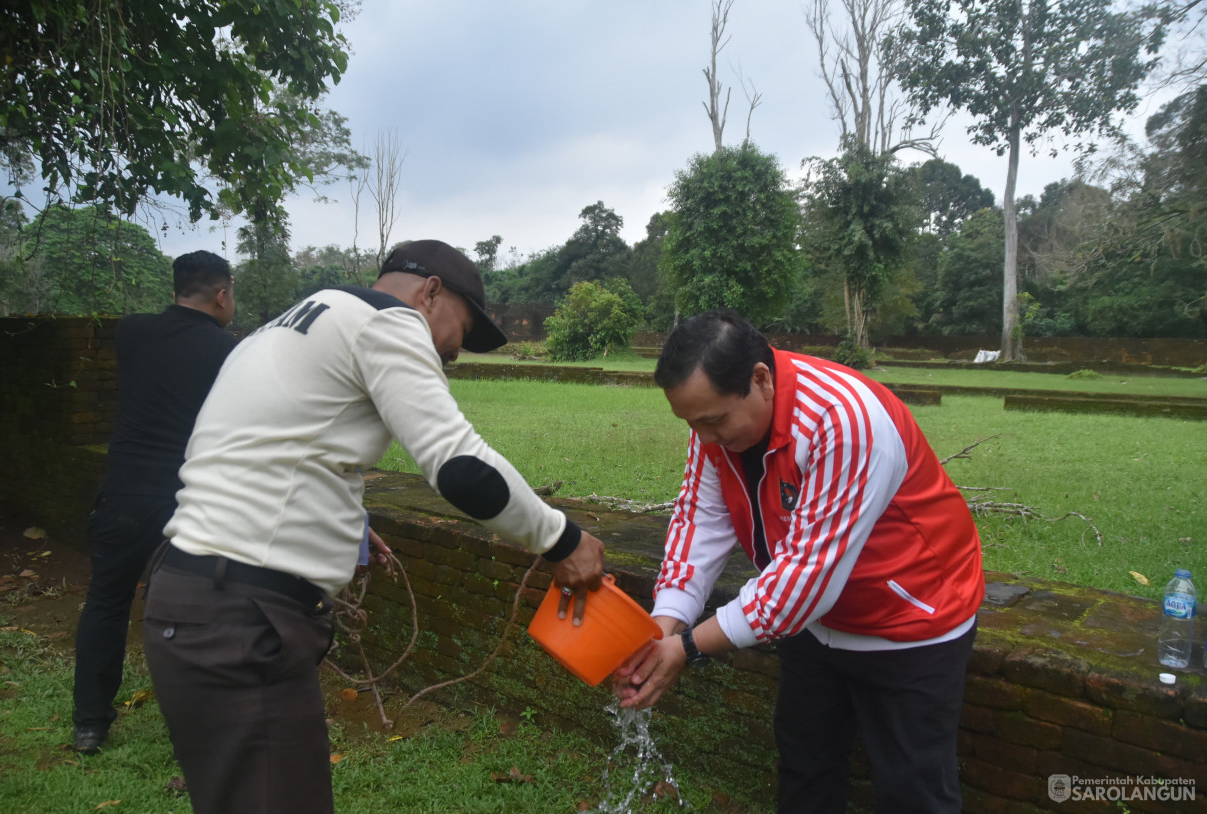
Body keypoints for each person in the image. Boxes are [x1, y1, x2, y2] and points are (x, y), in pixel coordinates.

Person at [142, 239, 606, 814]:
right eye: (451, 341)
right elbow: (460, 466)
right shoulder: (387, 322)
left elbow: (263, 450)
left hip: (190, 598)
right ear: (430, 293)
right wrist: (561, 539)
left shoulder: (280, 327)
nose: (447, 361)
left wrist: (344, 521)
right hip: (241, 618)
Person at [614, 310, 985, 814]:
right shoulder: (717, 429)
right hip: (814, 627)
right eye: (691, 423)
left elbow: (803, 583)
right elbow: (700, 522)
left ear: (760, 379)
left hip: (911, 621)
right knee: (805, 768)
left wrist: (686, 647)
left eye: (713, 420)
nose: (702, 439)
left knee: (913, 789)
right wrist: (662, 625)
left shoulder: (846, 421)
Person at [71, 251, 237, 754]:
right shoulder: (229, 351)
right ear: (222, 294)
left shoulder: (131, 332)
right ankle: (200, 730)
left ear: (176, 287)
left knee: (106, 599)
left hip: (123, 491)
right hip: (189, 496)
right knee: (202, 612)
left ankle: (89, 724)